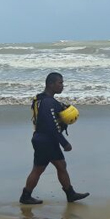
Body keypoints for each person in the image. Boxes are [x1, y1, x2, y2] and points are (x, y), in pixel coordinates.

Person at [20, 72, 89, 205]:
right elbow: (51, 126)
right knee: (51, 167)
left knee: (49, 167)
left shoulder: (40, 100)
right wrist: (64, 143)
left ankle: (27, 195)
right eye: (60, 83)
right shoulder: (47, 102)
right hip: (46, 140)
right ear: (51, 84)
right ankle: (69, 194)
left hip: (40, 139)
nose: (62, 86)